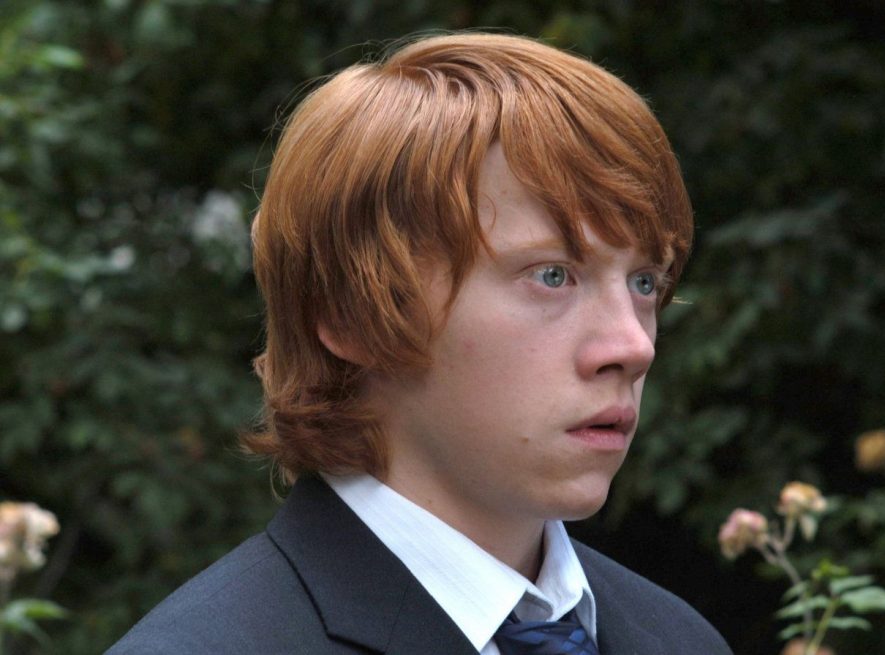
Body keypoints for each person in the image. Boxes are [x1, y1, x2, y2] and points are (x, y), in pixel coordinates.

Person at [108, 32, 732, 655]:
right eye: (552, 275)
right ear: (352, 313)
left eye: (645, 282)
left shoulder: (682, 640)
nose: (633, 345)